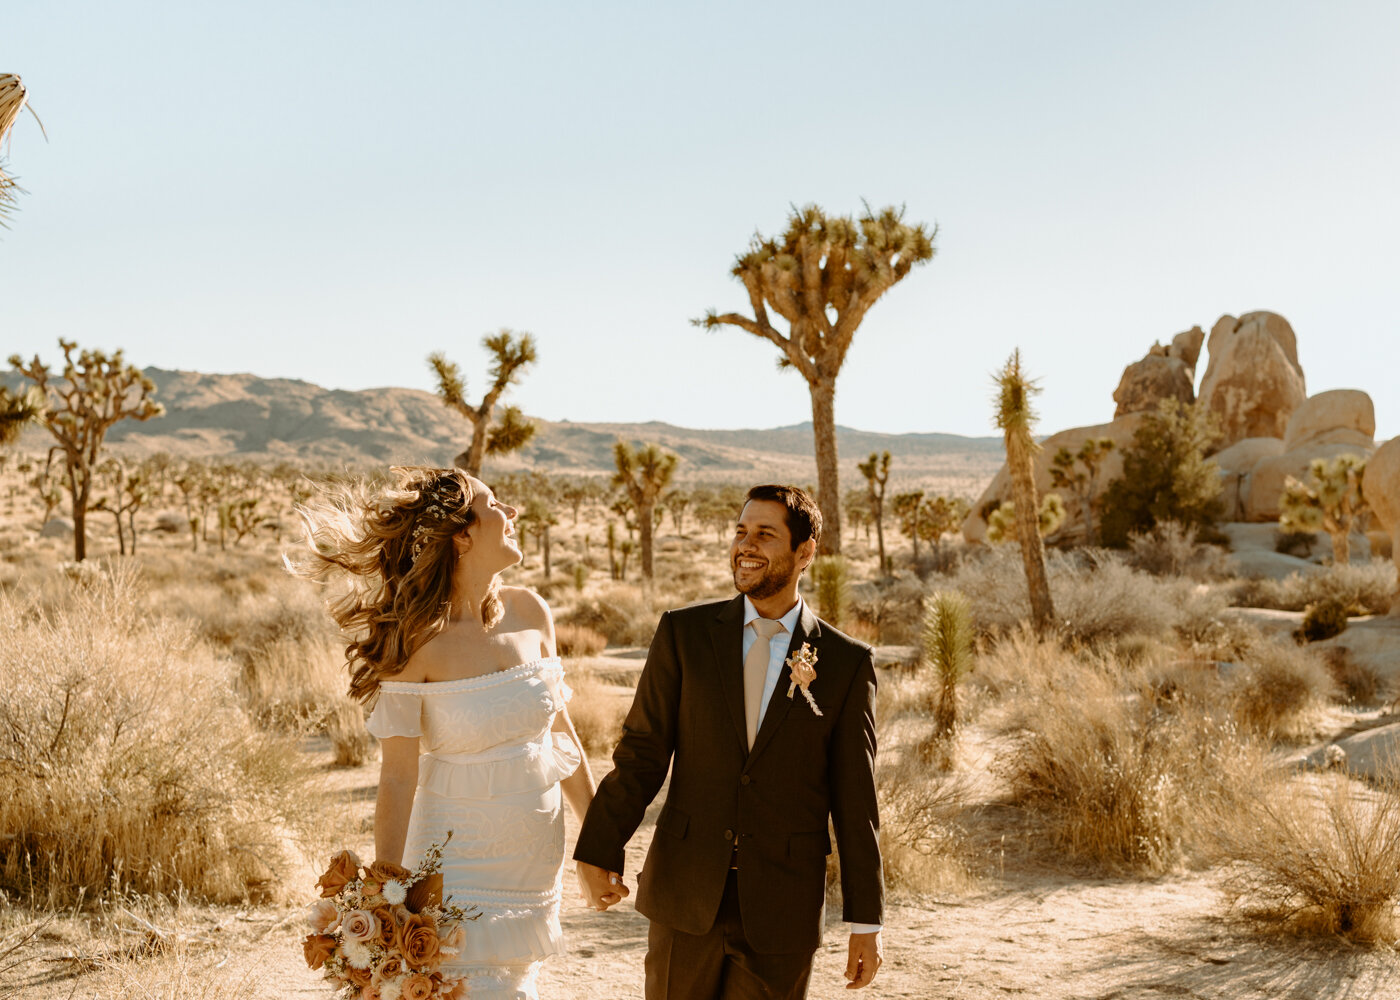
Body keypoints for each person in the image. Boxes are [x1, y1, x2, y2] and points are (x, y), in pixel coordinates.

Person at [295, 466, 616, 1000]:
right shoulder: (416, 643)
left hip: (534, 869)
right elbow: (397, 778)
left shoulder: (531, 612)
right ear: (462, 535)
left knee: (519, 983)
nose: (512, 514)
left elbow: (563, 737)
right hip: (455, 866)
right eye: (496, 506)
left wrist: (597, 845)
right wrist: (388, 891)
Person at [574, 484, 883, 1000]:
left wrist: (866, 921)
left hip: (783, 906)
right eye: (741, 531)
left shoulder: (847, 663)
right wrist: (598, 847)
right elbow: (642, 755)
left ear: (805, 551)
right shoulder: (683, 635)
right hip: (685, 892)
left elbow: (856, 799)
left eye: (765, 534)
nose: (746, 545)